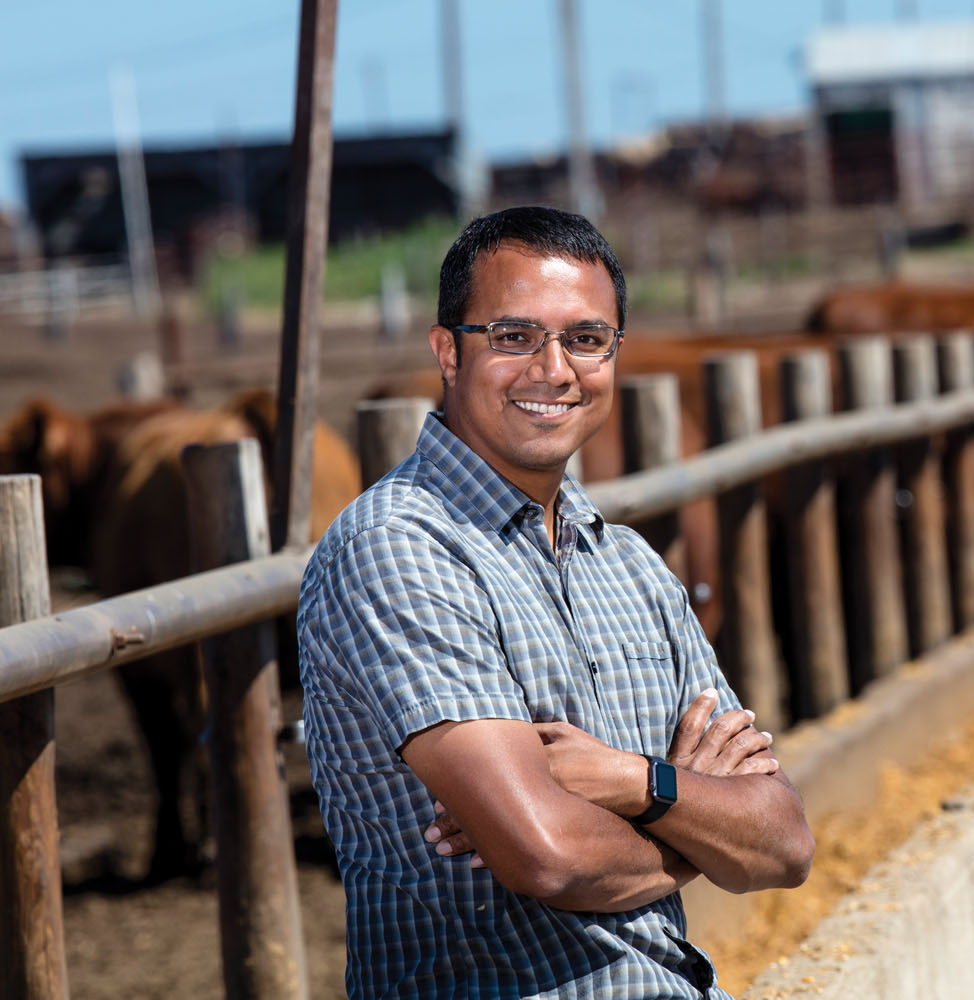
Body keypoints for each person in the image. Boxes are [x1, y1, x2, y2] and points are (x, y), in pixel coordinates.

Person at [297, 206, 815, 998]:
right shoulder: (401, 548)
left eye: (585, 337)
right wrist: (698, 832)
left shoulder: (632, 566)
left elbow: (783, 843)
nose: (553, 368)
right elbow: (546, 855)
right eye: (512, 337)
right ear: (447, 351)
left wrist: (632, 782)